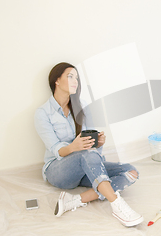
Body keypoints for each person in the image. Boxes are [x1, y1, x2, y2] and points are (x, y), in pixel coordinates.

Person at [34, 62, 143, 227]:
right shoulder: (42, 113)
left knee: (130, 172)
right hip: (58, 171)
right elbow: (56, 149)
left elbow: (91, 146)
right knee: (87, 153)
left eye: (77, 78)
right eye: (70, 76)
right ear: (56, 80)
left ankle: (75, 200)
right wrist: (73, 147)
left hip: (85, 166)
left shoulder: (82, 106)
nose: (75, 81)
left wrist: (98, 143)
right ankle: (117, 205)